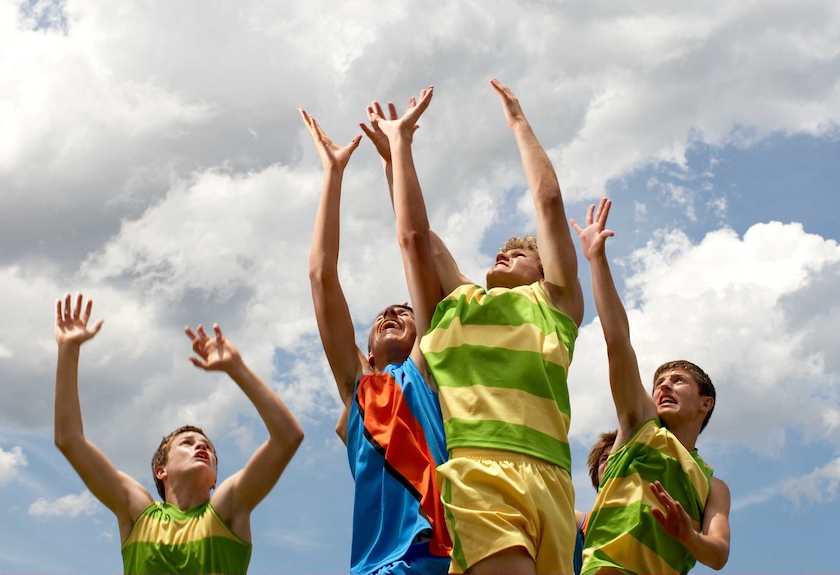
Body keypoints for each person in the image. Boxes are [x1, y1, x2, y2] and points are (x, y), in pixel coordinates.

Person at [372, 78, 584, 575]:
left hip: (553, 482)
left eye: (521, 252)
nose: (505, 253)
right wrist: (396, 154)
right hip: (478, 473)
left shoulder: (555, 306)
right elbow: (414, 237)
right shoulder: (456, 305)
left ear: (542, 269)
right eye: (502, 250)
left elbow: (549, 203)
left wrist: (516, 119)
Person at [53, 292, 303, 575]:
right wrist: (68, 349)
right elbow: (69, 440)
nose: (202, 448)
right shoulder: (138, 512)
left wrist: (237, 368)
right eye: (187, 443)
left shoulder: (226, 509)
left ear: (215, 479)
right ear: (161, 470)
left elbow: (287, 437)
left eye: (208, 447)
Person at [302, 104, 451, 575]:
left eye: (405, 311)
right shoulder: (359, 391)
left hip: (436, 556)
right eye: (383, 314)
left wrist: (395, 160)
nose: (391, 312)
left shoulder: (428, 370)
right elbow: (321, 277)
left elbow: (416, 245)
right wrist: (333, 173)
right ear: (365, 351)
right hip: (371, 568)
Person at [570, 198, 731, 574]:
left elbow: (718, 554)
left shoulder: (713, 486)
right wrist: (596, 260)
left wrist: (687, 536)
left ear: (706, 403)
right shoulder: (640, 425)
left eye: (678, 381)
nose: (664, 386)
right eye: (659, 382)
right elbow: (618, 341)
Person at [573, 430, 617, 574]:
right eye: (604, 459)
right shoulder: (582, 523)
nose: (610, 461)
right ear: (596, 476)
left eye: (618, 456)